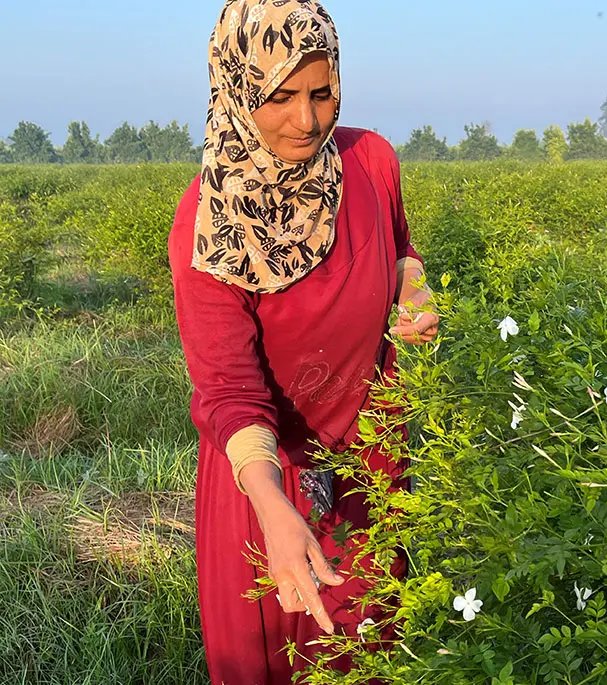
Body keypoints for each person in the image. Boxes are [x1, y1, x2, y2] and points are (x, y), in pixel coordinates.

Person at [167, 1, 439, 682]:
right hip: (265, 481)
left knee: (369, 651)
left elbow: (403, 253)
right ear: (236, 89)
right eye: (280, 96)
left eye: (323, 93)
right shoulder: (207, 224)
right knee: (272, 657)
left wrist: (415, 294)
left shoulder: (371, 163)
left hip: (368, 471)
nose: (309, 120)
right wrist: (274, 507)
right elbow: (229, 390)